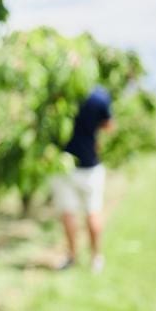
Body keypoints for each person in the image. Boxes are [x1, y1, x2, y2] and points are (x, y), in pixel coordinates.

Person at [51, 86, 113, 273]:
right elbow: (109, 126)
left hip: (64, 164)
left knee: (68, 213)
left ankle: (72, 256)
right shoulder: (99, 96)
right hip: (90, 166)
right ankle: (96, 258)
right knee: (93, 211)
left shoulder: (58, 90)